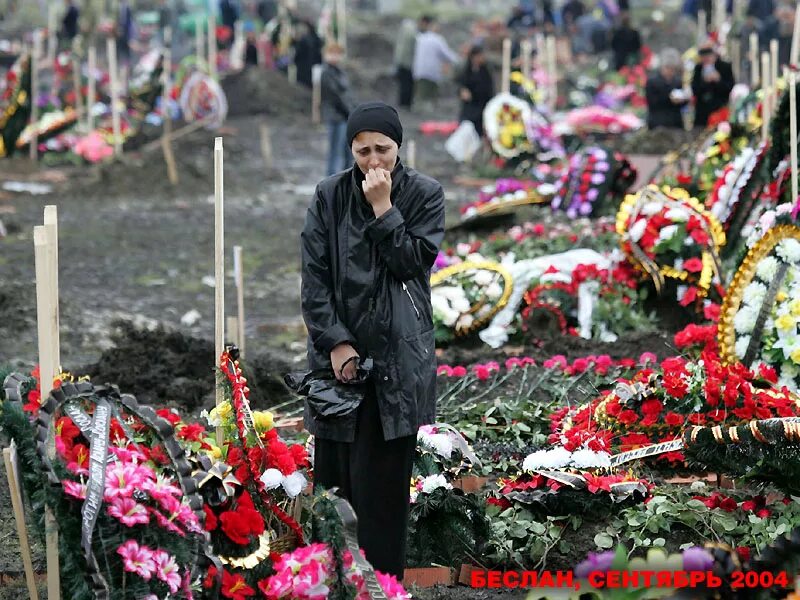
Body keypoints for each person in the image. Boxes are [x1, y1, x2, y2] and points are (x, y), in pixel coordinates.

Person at [301, 101, 445, 579]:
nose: (373, 161)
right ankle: (337, 582)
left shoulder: (424, 193)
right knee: (336, 487)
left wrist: (384, 208)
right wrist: (335, 342)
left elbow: (412, 265)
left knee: (382, 492)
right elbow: (314, 279)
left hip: (396, 360)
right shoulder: (329, 195)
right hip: (337, 363)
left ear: (398, 146)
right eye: (363, 151)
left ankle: (383, 585)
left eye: (382, 149)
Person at [321, 43, 356, 175]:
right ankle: (330, 181)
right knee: (335, 152)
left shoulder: (341, 72)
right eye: (331, 53)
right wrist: (349, 111)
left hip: (345, 116)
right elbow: (335, 96)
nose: (335, 57)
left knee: (347, 152)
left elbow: (348, 94)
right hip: (335, 116)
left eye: (337, 54)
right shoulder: (326, 73)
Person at [412, 15, 459, 111]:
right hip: (431, 72)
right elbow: (447, 54)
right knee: (428, 96)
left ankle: (419, 113)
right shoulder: (437, 39)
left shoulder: (421, 38)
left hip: (420, 71)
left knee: (421, 95)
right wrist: (459, 61)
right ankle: (426, 116)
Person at [691, 40, 735, 128]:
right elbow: (695, 89)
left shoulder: (724, 67)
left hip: (719, 111)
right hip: (702, 113)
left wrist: (718, 80)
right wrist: (704, 82)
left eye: (708, 54)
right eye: (703, 55)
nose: (706, 58)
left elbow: (730, 88)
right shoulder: (698, 68)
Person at [646, 48, 689, 129]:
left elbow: (683, 101)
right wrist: (669, 98)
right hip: (658, 122)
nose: (670, 72)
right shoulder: (652, 81)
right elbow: (652, 102)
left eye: (672, 69)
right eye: (668, 68)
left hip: (675, 122)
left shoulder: (677, 81)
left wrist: (683, 99)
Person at [457, 46, 494, 136]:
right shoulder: (467, 70)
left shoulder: (485, 71)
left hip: (481, 106)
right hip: (468, 107)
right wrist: (462, 91)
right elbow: (461, 84)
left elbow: (487, 89)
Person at [760, 3, 795, 69]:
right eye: (784, 16)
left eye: (787, 16)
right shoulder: (771, 24)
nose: (785, 20)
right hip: (775, 55)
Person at [394, 18, 417, 109]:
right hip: (408, 64)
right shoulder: (411, 34)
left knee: (403, 85)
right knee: (407, 85)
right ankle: (406, 104)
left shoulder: (403, 36)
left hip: (402, 63)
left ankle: (403, 103)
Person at [293, 20, 323, 88]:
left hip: (303, 67)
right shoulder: (317, 39)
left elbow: (298, 54)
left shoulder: (303, 40)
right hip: (314, 67)